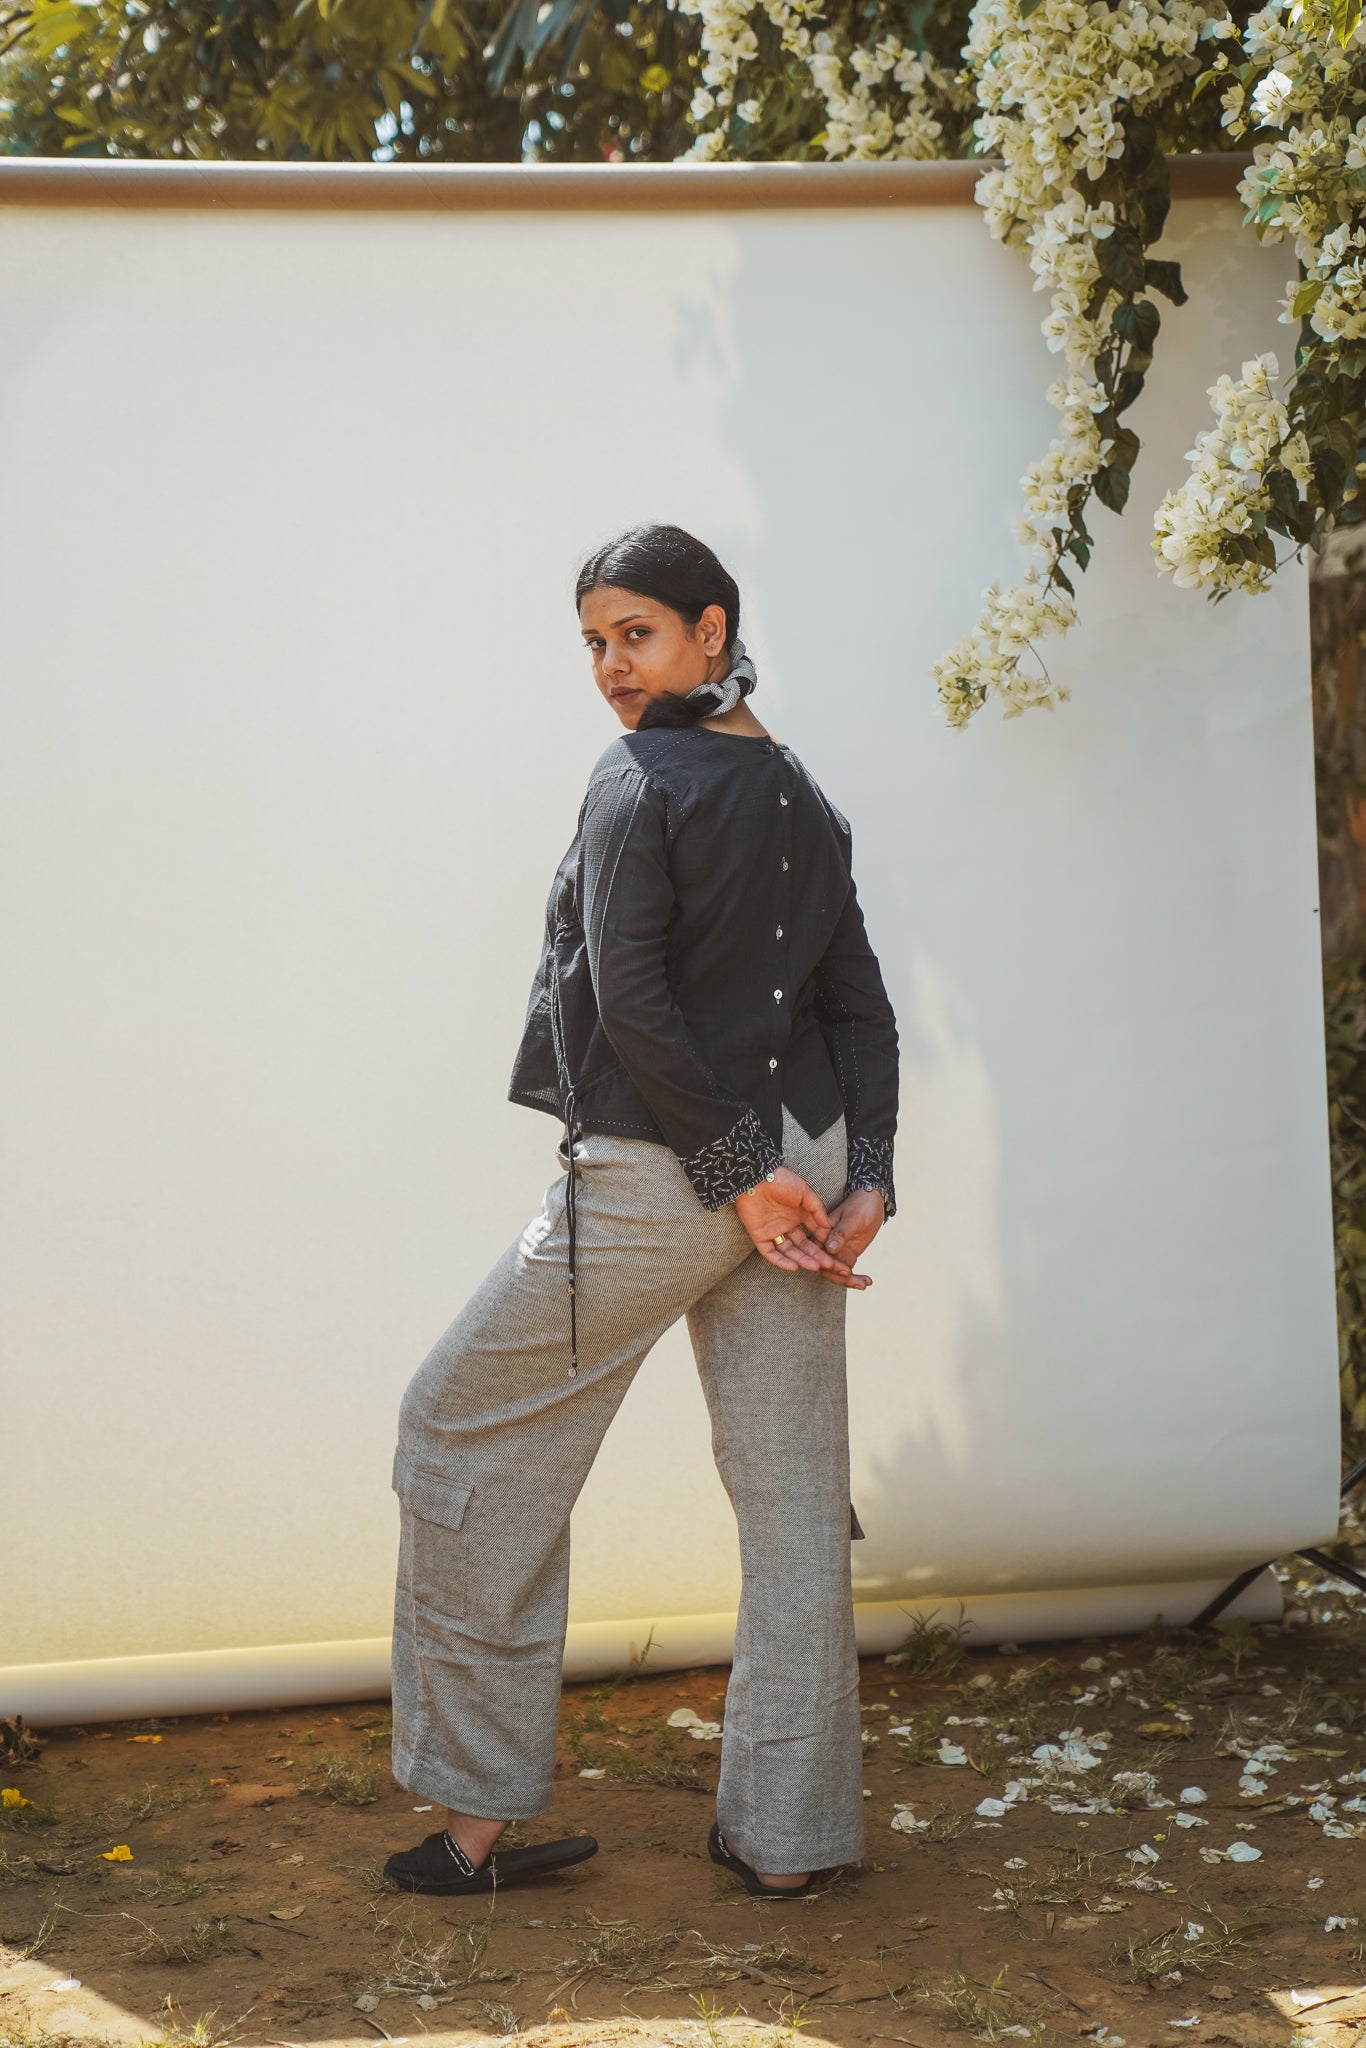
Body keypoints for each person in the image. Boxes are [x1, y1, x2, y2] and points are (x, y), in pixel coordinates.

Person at [383, 523, 899, 1902]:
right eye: (594, 645)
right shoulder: (802, 793)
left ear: (711, 630)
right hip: (799, 1172)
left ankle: (475, 1825)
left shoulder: (635, 778)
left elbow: (628, 997)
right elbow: (857, 1008)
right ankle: (787, 1844)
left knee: (456, 1425)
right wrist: (864, 1174)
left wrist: (731, 1171)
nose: (612, 667)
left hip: (673, 1177)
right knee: (791, 1501)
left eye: (637, 635)